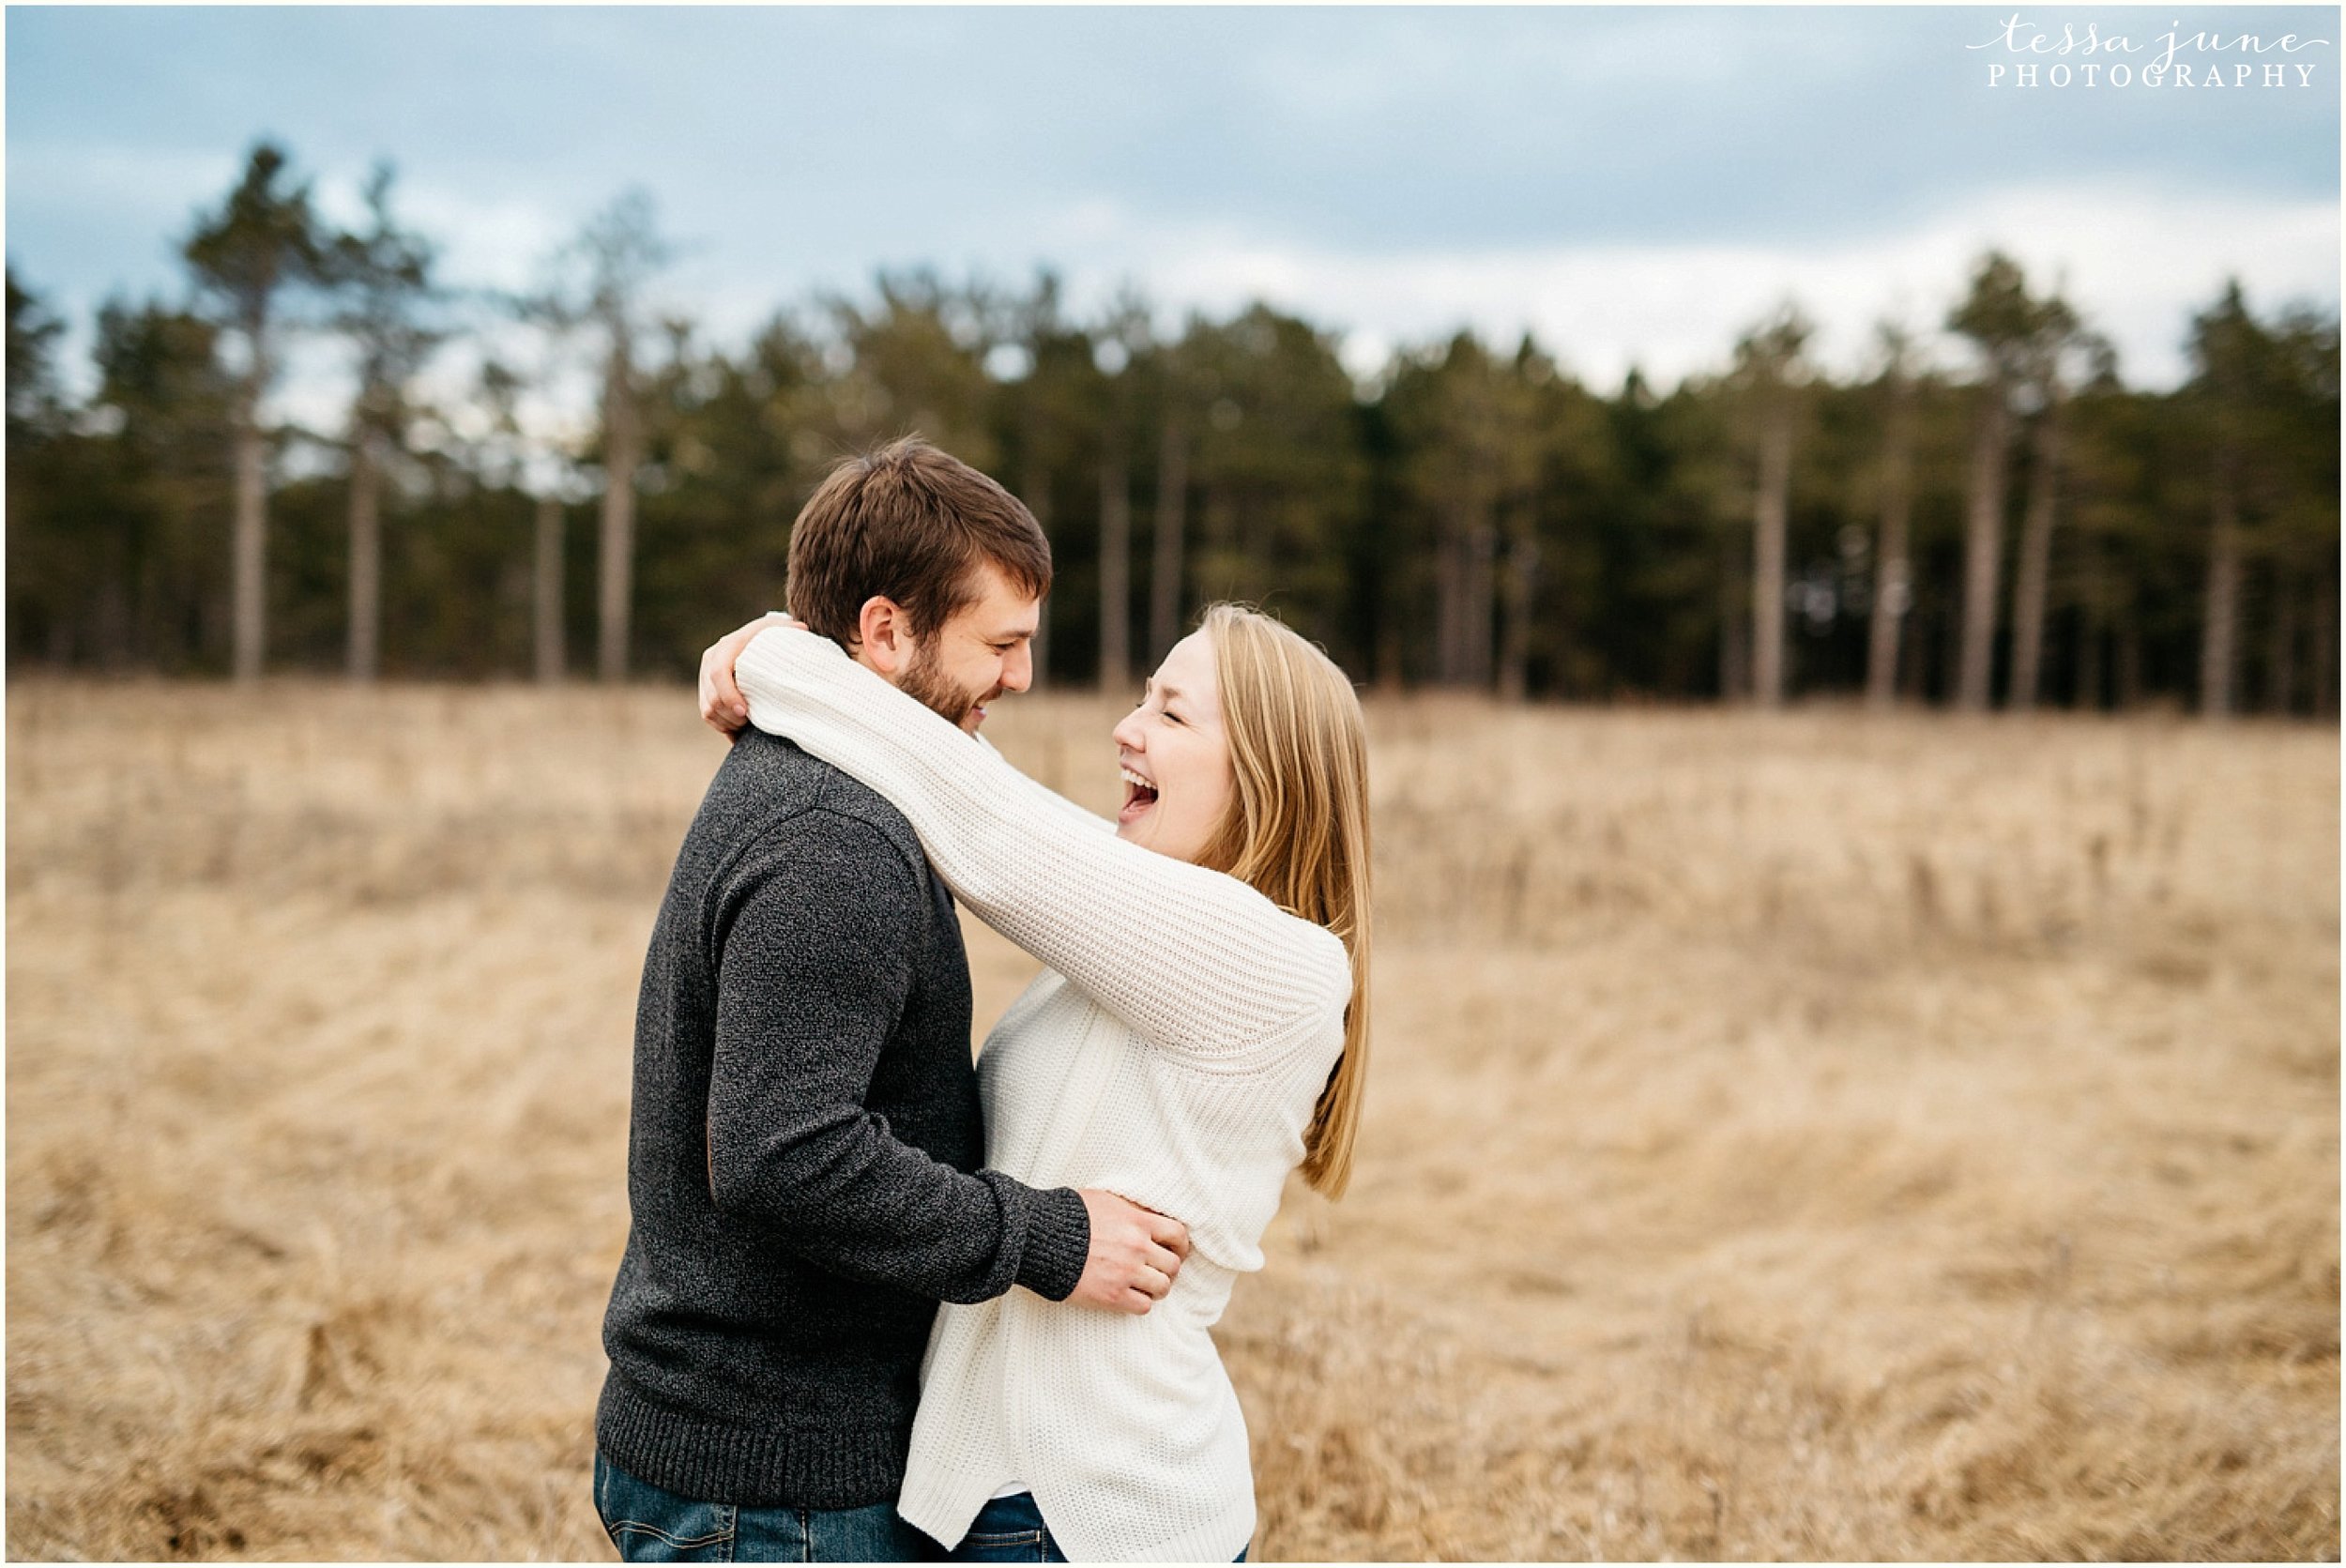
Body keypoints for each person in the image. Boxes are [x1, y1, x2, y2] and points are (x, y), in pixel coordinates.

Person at [594, 438, 1194, 1564]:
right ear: (882, 632)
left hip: (762, 1451)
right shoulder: (836, 839)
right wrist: (1050, 1237)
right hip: (769, 1484)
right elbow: (784, 1152)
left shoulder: (834, 780)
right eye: (1000, 645)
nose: (1019, 678)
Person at [696, 583, 1373, 1563]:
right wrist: (785, 640)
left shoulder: (1277, 965)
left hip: (1091, 1509)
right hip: (998, 1498)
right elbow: (971, 775)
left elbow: (986, 824)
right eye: (1143, 699)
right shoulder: (1144, 909)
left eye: (1171, 714)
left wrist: (774, 662)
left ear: (1267, 772)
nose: (1124, 730)